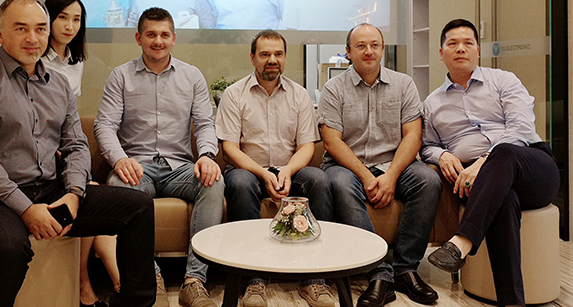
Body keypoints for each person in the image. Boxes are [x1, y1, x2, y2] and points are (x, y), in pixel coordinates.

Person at [0, 0, 156, 307]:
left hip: (47, 189)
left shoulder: (58, 84)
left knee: (137, 206)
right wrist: (26, 210)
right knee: (8, 246)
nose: (33, 38)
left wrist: (74, 193)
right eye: (21, 28)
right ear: (0, 34)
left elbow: (76, 144)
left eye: (40, 29)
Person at [422, 19, 559, 307]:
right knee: (503, 200)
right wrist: (442, 155)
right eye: (453, 44)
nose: (461, 49)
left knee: (504, 152)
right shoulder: (432, 103)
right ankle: (512, 302)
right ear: (441, 53)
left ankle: (461, 242)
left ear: (478, 50)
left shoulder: (503, 80)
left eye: (468, 43)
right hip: (480, 182)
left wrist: (485, 161)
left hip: (530, 167)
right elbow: (426, 146)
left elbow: (521, 129)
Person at [95, 7, 224, 307]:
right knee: (120, 187)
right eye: (151, 34)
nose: (158, 41)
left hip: (180, 168)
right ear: (138, 38)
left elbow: (205, 123)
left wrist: (207, 155)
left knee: (214, 182)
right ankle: (149, 277)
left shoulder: (192, 76)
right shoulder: (121, 76)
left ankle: (194, 281)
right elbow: (105, 125)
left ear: (174, 39)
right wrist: (119, 160)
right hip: (136, 166)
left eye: (165, 35)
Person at [318, 23, 441, 307]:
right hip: (347, 166)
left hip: (394, 163)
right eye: (361, 46)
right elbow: (332, 142)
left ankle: (405, 269)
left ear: (383, 49)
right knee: (339, 183)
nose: (369, 51)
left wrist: (391, 176)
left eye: (374, 45)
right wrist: (366, 176)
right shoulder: (334, 88)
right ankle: (379, 272)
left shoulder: (404, 84)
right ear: (348, 52)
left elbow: (413, 136)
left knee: (428, 180)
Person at [216, 30, 334, 307]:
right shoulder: (234, 94)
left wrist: (288, 171)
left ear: (285, 57)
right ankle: (254, 280)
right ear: (252, 58)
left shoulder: (299, 95)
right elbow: (230, 148)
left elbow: (306, 146)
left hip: (289, 170)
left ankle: (315, 277)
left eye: (278, 54)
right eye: (265, 54)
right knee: (239, 183)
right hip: (248, 170)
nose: (272, 60)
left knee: (318, 179)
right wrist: (263, 173)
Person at [41, 0, 119, 307]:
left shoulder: (78, 62)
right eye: (63, 17)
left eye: (77, 19)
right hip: (42, 151)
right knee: (89, 192)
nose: (70, 26)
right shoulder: (36, 59)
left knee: (91, 192)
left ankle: (99, 280)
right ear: (48, 19)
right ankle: (85, 282)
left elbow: (70, 118)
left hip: (66, 147)